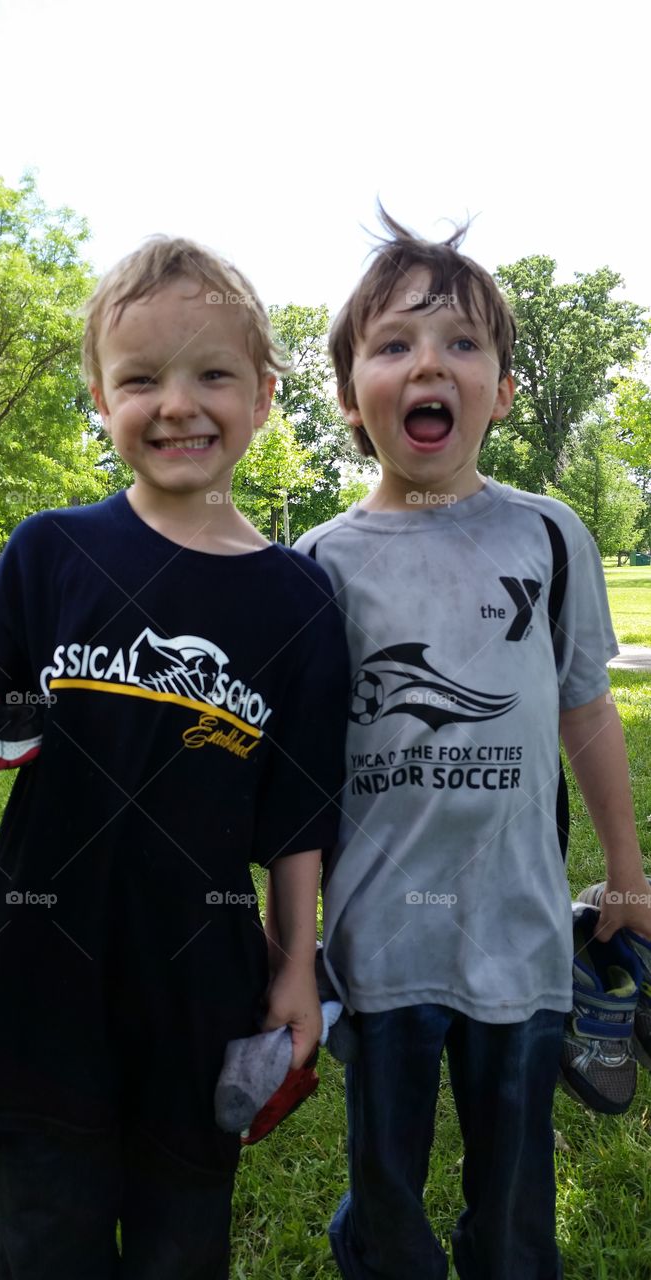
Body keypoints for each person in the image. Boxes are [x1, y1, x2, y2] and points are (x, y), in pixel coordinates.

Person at [0, 236, 349, 1280]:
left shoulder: (296, 603)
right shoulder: (49, 553)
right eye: (141, 378)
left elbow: (299, 811)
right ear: (98, 395)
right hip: (43, 970)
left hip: (198, 982)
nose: (178, 404)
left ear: (261, 394)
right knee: (46, 1235)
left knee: (180, 1240)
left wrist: (295, 964)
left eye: (211, 374)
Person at [295, 208, 651, 1280]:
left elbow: (585, 707)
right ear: (352, 398)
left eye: (459, 343)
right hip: (377, 943)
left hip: (522, 931)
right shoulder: (317, 563)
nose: (427, 365)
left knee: (511, 1202)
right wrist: (291, 934)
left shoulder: (547, 533)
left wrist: (625, 876)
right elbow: (299, 774)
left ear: (499, 389)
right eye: (393, 344)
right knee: (385, 1189)